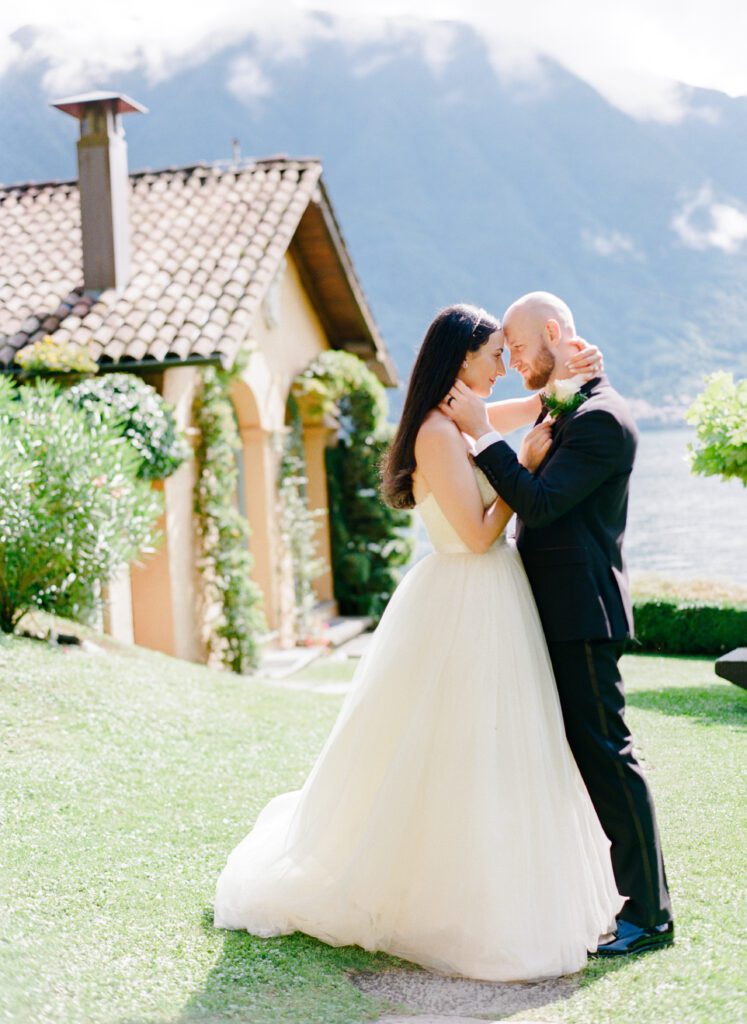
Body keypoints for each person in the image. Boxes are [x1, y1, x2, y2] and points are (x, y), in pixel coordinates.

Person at [213, 304, 623, 982]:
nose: (502, 366)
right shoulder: (439, 432)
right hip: (464, 598)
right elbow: (475, 534)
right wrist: (520, 469)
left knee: (494, 753)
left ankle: (498, 882)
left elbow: (528, 409)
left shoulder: (463, 419)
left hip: (493, 598)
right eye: (494, 354)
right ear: (461, 359)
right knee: (450, 756)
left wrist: (570, 380)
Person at [441, 291, 674, 957]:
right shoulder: (573, 400)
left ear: (550, 332)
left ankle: (649, 914)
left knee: (607, 757)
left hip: (581, 614)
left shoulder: (600, 419)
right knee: (581, 757)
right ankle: (607, 897)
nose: (511, 362)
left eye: (515, 347)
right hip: (555, 611)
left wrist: (485, 439)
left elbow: (538, 503)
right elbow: (541, 418)